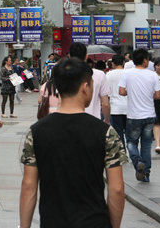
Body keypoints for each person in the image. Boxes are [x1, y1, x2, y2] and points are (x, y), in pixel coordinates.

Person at [19, 57, 127, 228]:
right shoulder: (106, 133)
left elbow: (28, 186)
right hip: (94, 222)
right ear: (85, 87)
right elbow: (117, 189)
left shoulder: (36, 132)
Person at [119, 48, 160, 182]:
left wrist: (131, 92)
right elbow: (158, 95)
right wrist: (148, 94)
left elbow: (121, 91)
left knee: (131, 142)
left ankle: (138, 162)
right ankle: (146, 174)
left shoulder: (127, 73)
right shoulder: (153, 75)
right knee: (146, 145)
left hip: (133, 115)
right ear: (144, 61)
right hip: (149, 115)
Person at [69, 43, 110, 123]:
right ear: (86, 56)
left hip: (70, 122)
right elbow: (105, 104)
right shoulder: (99, 74)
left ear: (69, 56)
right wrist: (107, 121)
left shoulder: (64, 74)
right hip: (93, 121)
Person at [106, 54, 128, 147]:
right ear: (123, 63)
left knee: (119, 134)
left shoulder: (108, 75)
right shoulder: (128, 73)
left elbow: (106, 92)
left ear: (113, 63)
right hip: (129, 108)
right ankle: (133, 152)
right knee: (130, 134)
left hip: (115, 108)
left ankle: (122, 152)